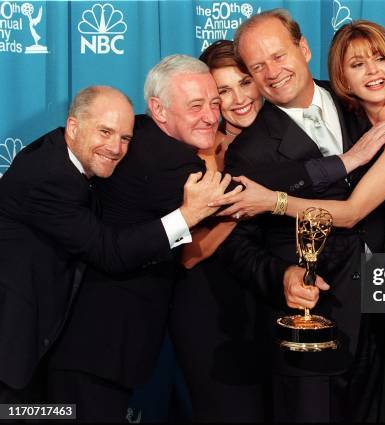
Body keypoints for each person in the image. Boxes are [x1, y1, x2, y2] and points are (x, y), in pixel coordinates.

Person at [212, 21, 385, 422]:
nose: (273, 72)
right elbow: (238, 248)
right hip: (318, 320)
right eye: (258, 66)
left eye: (279, 56)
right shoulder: (249, 150)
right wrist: (282, 277)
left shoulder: (361, 102)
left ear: (304, 49)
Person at [45, 57, 243, 422]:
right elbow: (237, 200)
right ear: (159, 110)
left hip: (80, 337)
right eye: (195, 106)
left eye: (214, 103)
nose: (211, 116)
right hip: (99, 346)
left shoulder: (136, 133)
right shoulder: (176, 166)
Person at [0, 85, 225, 404]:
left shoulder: (66, 157)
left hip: (40, 343)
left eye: (125, 138)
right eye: (105, 132)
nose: (115, 148)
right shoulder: (47, 175)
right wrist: (188, 214)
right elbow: (110, 251)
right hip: (12, 345)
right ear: (74, 127)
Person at [169, 41, 269, 422]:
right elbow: (189, 255)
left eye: (245, 83)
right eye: (222, 91)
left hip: (268, 301)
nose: (238, 99)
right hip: (210, 309)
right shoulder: (200, 151)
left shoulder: (284, 143)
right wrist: (245, 206)